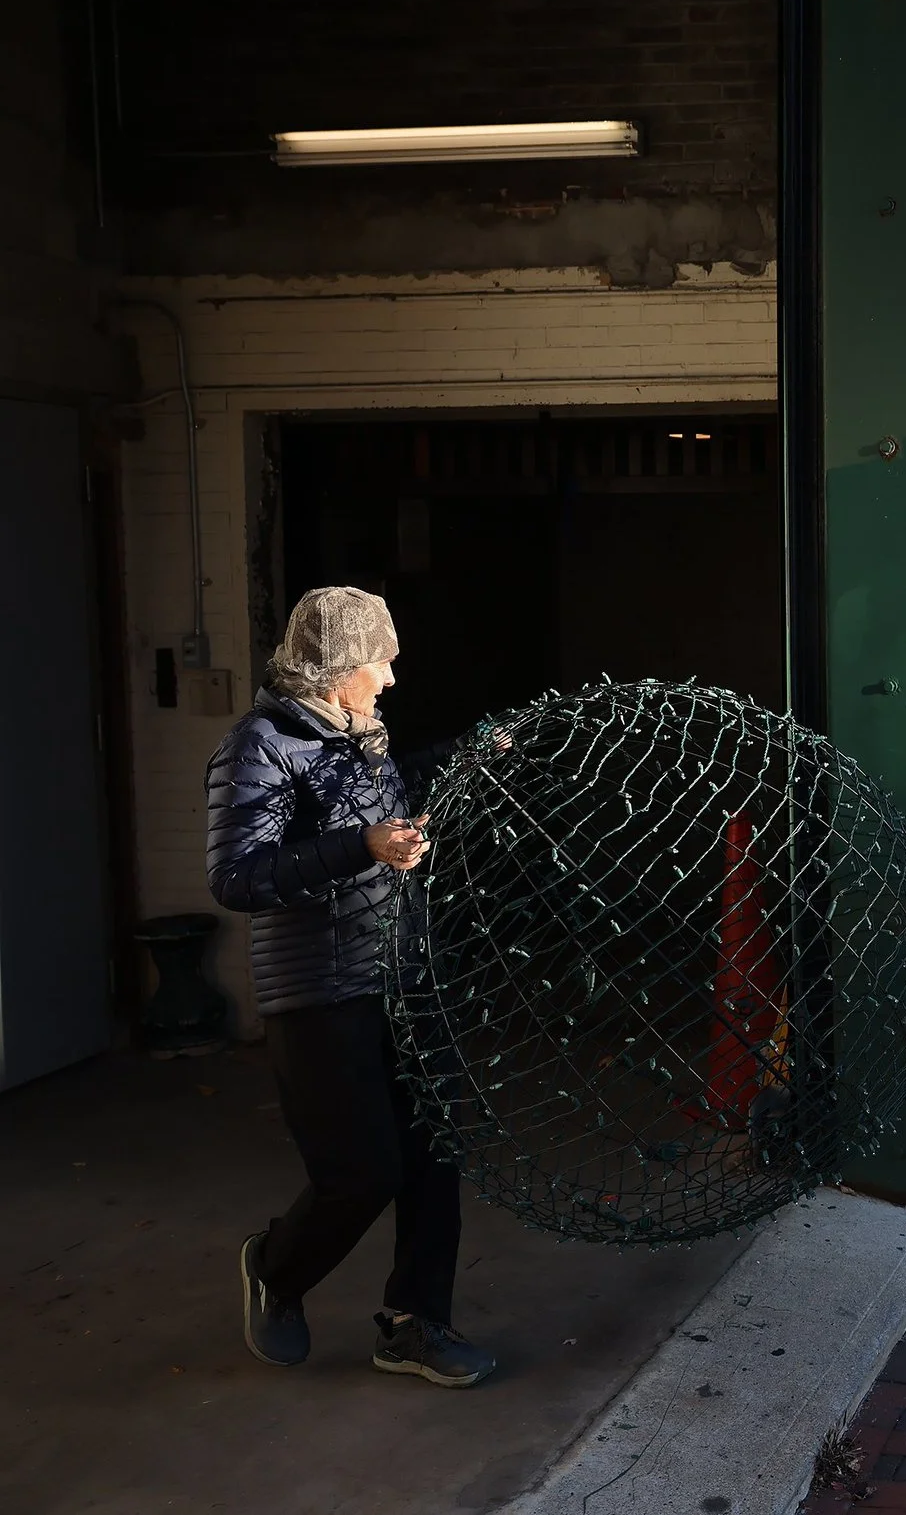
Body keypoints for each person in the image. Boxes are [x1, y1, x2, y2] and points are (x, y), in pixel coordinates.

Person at [205, 587, 496, 1388]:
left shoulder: (357, 737)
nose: (393, 677)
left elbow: (382, 794)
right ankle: (275, 1267)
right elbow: (237, 876)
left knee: (434, 1153)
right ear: (337, 669)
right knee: (363, 1172)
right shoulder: (259, 745)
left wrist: (469, 753)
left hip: (399, 978)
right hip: (319, 996)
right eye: (383, 660)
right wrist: (361, 846)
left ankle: (415, 1324)